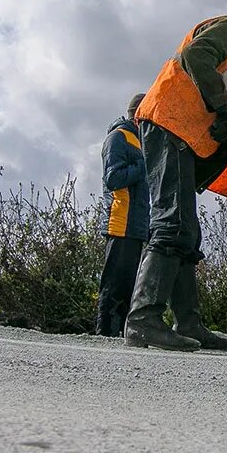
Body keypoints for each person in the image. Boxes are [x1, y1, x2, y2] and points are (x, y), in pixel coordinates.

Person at [125, 8, 227, 351]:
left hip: (183, 135)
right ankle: (142, 320)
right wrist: (219, 109)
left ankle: (189, 323)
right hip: (169, 124)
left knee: (187, 231)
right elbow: (195, 54)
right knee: (173, 224)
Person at [95, 94, 149, 337]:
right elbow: (113, 178)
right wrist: (146, 165)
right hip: (120, 221)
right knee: (114, 285)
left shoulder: (141, 141)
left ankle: (119, 335)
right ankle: (104, 333)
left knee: (129, 284)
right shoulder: (118, 138)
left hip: (137, 225)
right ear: (139, 114)